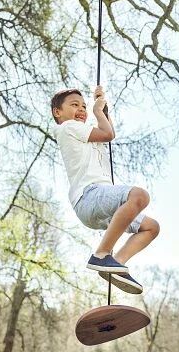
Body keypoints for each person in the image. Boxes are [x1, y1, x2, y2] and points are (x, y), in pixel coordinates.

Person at [51, 85, 160, 294]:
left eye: (84, 106)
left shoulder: (83, 133)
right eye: (74, 105)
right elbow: (107, 134)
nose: (81, 109)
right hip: (89, 196)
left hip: (99, 204)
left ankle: (115, 265)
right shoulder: (68, 127)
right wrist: (97, 110)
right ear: (58, 112)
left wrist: (104, 109)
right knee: (139, 196)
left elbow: (109, 132)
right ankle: (101, 254)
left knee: (151, 227)